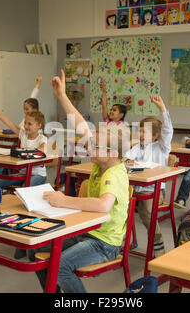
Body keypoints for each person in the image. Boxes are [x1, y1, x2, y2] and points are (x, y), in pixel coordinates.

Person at [27, 69, 130, 293]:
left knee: (61, 265)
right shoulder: (103, 162)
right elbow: (80, 123)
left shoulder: (113, 172)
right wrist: (62, 95)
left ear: (112, 153)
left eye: (96, 145)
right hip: (87, 231)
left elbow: (103, 205)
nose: (90, 146)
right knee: (35, 248)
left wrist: (63, 200)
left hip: (104, 242)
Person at [124, 95, 173, 258]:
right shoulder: (138, 147)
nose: (141, 134)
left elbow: (168, 130)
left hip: (156, 190)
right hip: (136, 189)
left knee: (145, 207)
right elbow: (126, 158)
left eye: (145, 131)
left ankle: (157, 240)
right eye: (140, 130)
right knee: (116, 202)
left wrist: (162, 109)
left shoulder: (162, 147)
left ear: (156, 135)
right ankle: (119, 241)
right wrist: (128, 160)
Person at [0, 97, 47, 189]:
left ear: (39, 125)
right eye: (25, 123)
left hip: (38, 175)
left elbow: (43, 149)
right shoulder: (23, 134)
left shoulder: (42, 138)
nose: (25, 126)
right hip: (23, 173)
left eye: (29, 124)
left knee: (24, 188)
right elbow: (7, 121)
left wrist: (27, 152)